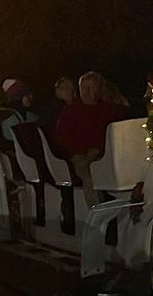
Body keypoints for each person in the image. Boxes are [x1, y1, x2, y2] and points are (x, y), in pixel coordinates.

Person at [53, 72, 130, 208]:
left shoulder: (107, 109)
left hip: (105, 154)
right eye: (83, 87)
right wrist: (83, 152)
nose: (86, 91)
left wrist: (98, 149)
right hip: (81, 157)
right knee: (88, 172)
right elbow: (63, 138)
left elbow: (117, 127)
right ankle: (97, 213)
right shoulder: (70, 112)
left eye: (91, 87)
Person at [0, 78, 37, 147]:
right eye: (27, 94)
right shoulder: (5, 115)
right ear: (17, 97)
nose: (31, 97)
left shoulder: (29, 115)